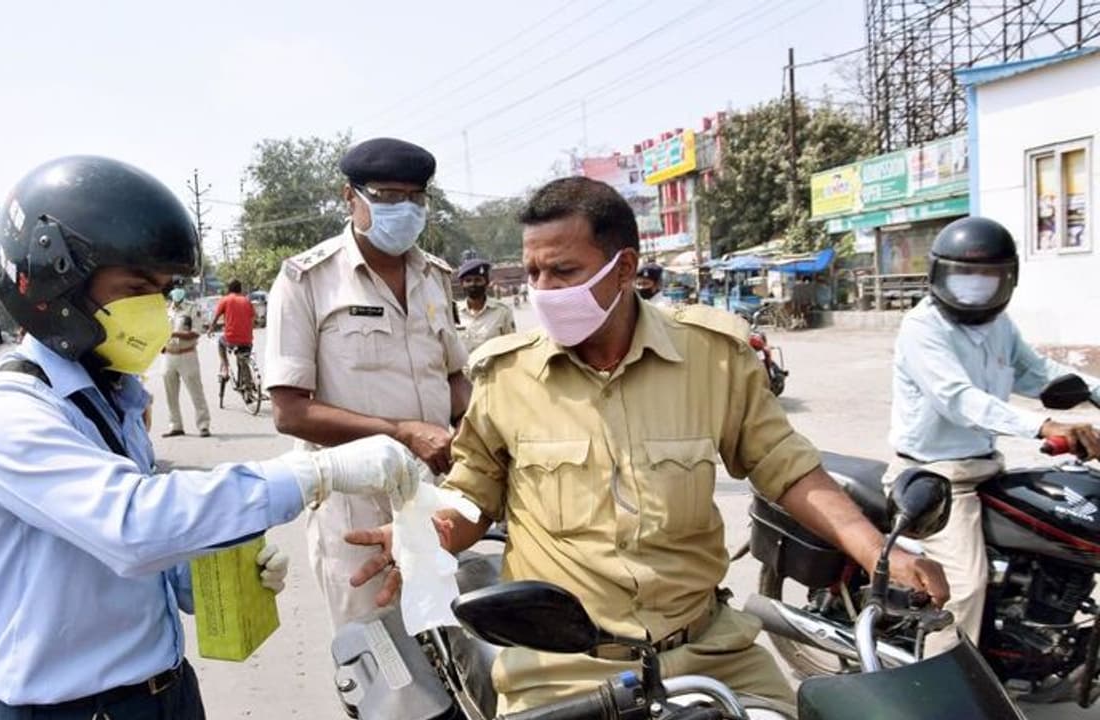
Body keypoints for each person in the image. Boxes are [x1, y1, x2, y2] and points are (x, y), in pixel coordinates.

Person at [348, 177, 949, 714]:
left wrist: (879, 552)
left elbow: (785, 468)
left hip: (709, 653)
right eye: (533, 274)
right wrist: (426, 536)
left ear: (625, 267)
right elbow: (474, 492)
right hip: (559, 671)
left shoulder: (713, 358)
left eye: (563, 272)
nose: (543, 290)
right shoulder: (505, 376)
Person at [0, 155, 431, 720]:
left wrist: (195, 574)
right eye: (136, 288)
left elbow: (124, 557)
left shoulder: (110, 398)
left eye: (162, 290)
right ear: (59, 283)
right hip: (72, 709)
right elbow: (132, 525)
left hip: (164, 693)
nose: (157, 309)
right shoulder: (9, 412)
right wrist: (314, 473)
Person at [264, 137, 470, 626]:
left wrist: (476, 435)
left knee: (453, 638)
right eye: (387, 198)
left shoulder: (435, 275)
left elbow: (456, 380)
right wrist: (401, 432)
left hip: (440, 495)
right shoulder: (306, 280)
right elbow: (290, 411)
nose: (404, 210)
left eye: (415, 199)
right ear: (349, 196)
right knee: (381, 658)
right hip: (356, 507)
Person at [886, 215, 1100, 657]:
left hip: (985, 467)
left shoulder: (1000, 327)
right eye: (963, 275)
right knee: (963, 585)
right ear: (938, 275)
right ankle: (943, 692)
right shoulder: (922, 327)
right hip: (936, 476)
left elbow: (1039, 374)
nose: (975, 286)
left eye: (988, 276)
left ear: (1008, 279)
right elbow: (958, 398)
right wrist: (1042, 425)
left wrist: (1095, 392)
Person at [160, 287, 212, 437]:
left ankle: (203, 425)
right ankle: (176, 426)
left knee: (196, 392)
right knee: (170, 394)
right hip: (168, 355)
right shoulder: (166, 309)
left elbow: (195, 333)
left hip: (187, 355)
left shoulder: (192, 308)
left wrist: (172, 334)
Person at [455, 257, 516, 354]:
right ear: (462, 284)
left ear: (486, 283)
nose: (473, 284)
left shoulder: (502, 312)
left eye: (478, 280)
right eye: (468, 280)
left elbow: (512, 347)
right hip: (464, 369)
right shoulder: (453, 313)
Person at [210, 279, 255, 381]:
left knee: (220, 342)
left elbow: (216, 317)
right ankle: (248, 382)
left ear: (228, 289)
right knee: (243, 357)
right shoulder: (247, 300)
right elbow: (253, 319)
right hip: (247, 340)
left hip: (231, 339)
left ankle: (225, 368)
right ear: (240, 289)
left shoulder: (225, 300)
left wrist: (210, 329)